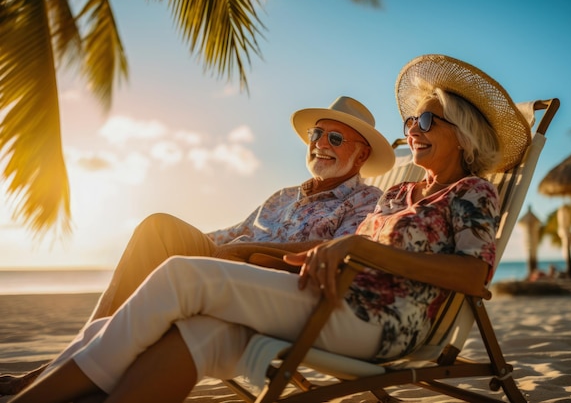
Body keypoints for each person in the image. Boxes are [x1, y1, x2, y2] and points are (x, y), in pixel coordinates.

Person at [9, 53, 533, 403]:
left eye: (424, 121)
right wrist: (316, 248)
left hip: (378, 318)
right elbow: (349, 245)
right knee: (199, 335)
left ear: (461, 136)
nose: (412, 131)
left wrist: (357, 248)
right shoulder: (399, 193)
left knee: (180, 277)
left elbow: (471, 275)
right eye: (410, 122)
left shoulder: (470, 193)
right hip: (332, 296)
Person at [0, 95, 395, 396]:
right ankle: (70, 364)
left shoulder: (364, 201)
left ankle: (66, 372)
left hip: (263, 276)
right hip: (222, 260)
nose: (320, 143)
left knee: (170, 249)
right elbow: (229, 232)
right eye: (316, 134)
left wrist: (242, 253)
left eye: (336, 137)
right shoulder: (283, 195)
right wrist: (188, 246)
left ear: (361, 154)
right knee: (158, 228)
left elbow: (344, 250)